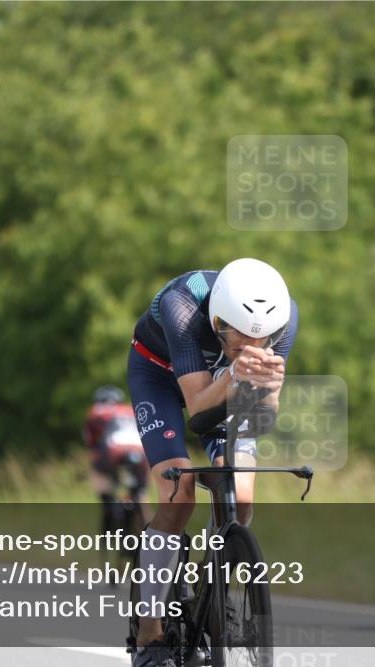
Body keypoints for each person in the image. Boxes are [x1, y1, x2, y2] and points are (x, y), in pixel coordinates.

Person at [127, 258, 297, 667]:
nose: (255, 348)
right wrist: (234, 373)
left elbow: (261, 417)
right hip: (161, 375)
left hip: (225, 379)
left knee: (241, 494)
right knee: (179, 493)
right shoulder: (181, 306)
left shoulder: (285, 315)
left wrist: (270, 389)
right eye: (241, 341)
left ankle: (215, 583)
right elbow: (200, 410)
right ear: (219, 322)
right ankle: (150, 633)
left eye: (264, 341)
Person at [83, 385, 149, 535]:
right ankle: (149, 533)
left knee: (98, 472)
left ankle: (108, 503)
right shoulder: (130, 410)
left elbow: (91, 443)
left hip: (113, 452)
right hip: (140, 452)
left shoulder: (96, 411)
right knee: (140, 493)